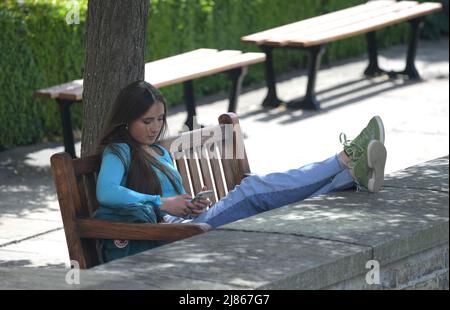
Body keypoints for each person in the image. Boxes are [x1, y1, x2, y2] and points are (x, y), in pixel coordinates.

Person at [94, 80, 387, 262]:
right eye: (147, 121)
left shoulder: (159, 151)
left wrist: (191, 203)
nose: (155, 127)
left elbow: (175, 200)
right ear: (126, 119)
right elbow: (107, 192)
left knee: (266, 196)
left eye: (160, 119)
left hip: (188, 222)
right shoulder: (119, 150)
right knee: (253, 190)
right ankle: (345, 159)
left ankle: (348, 174)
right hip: (174, 235)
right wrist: (163, 203)